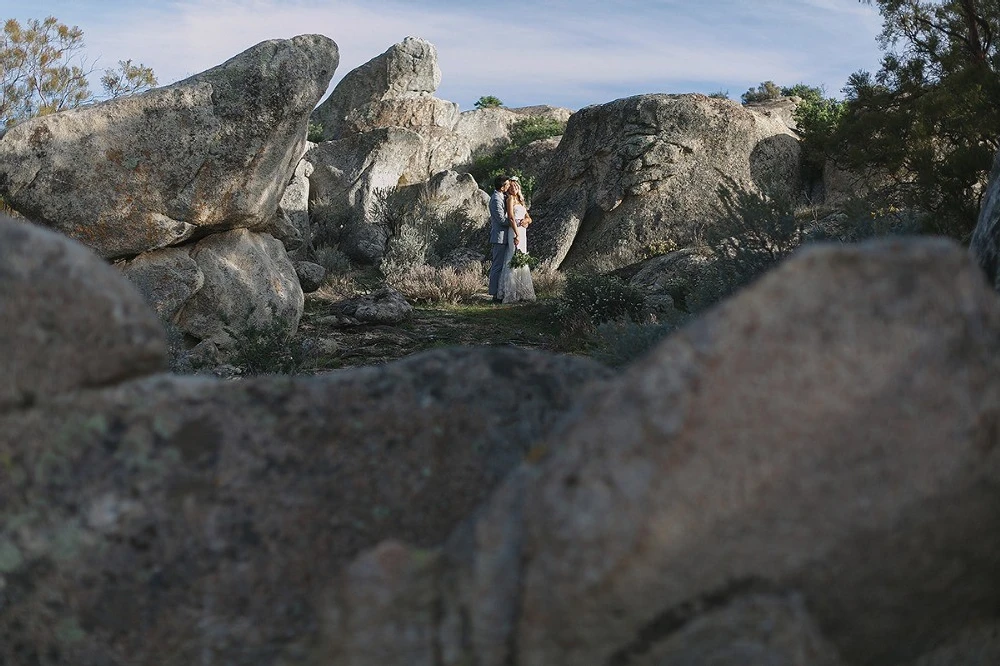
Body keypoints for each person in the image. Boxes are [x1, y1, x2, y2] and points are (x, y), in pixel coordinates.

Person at [497, 177, 536, 303]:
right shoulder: (510, 199)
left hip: (523, 231)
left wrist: (527, 221)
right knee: (512, 257)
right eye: (512, 186)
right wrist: (516, 234)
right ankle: (510, 292)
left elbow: (529, 218)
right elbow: (511, 218)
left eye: (516, 186)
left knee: (522, 258)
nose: (514, 188)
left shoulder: (521, 200)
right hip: (514, 231)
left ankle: (521, 290)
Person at [487, 175, 511, 302]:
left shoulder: (502, 197)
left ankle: (501, 291)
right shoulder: (496, 199)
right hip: (499, 237)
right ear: (502, 187)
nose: (509, 186)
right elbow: (501, 220)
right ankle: (495, 294)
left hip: (504, 236)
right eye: (507, 184)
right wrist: (515, 222)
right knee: (497, 266)